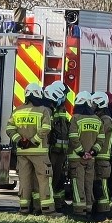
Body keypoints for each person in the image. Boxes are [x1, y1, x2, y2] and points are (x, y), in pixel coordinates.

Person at [5, 82, 58, 216]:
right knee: (44, 179)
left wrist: (20, 140)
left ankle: (24, 209)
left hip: (23, 152)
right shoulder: (43, 110)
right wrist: (33, 141)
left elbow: (10, 129)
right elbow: (46, 128)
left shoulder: (17, 111)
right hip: (39, 152)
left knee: (24, 180)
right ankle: (47, 210)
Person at [67, 90, 101, 217]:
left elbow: (73, 137)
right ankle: (88, 208)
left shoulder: (75, 118)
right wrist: (92, 152)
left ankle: (79, 210)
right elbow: (101, 140)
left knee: (78, 184)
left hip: (77, 158)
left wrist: (82, 152)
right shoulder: (97, 120)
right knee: (88, 184)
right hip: (91, 159)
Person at [44, 81, 71, 212]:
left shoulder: (61, 109)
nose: (64, 98)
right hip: (52, 150)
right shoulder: (49, 109)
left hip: (61, 150)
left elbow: (64, 128)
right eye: (63, 95)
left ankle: (57, 202)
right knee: (49, 177)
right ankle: (48, 203)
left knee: (58, 177)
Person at [91, 91, 112, 217]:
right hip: (97, 156)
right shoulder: (101, 118)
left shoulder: (106, 120)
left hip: (102, 157)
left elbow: (97, 134)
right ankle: (98, 208)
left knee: (102, 185)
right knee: (96, 184)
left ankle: (104, 211)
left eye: (94, 103)